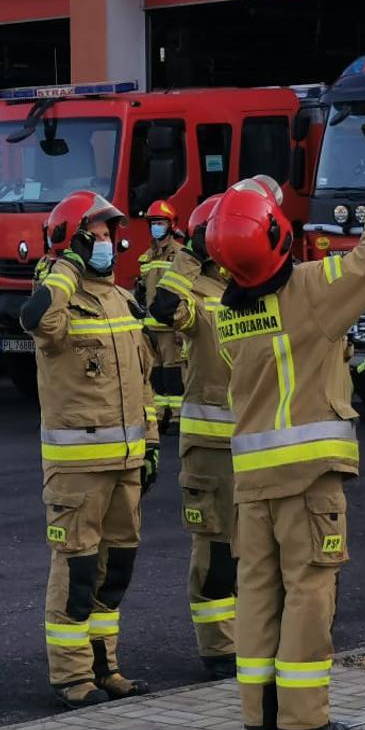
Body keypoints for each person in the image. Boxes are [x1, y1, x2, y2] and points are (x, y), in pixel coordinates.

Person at [207, 178, 365, 730]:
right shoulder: (312, 289)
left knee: (257, 598)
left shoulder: (227, 315)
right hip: (309, 480)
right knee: (309, 594)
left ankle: (260, 724)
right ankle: (303, 723)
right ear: (276, 234)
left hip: (252, 483)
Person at [19, 191, 159, 710]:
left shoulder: (122, 299)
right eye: (95, 235)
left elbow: (143, 380)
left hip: (125, 464)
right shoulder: (58, 298)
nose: (106, 243)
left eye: (107, 234)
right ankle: (73, 677)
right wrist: (63, 267)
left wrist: (150, 443)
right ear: (72, 241)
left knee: (114, 572)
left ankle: (106, 667)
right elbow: (37, 321)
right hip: (77, 471)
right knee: (77, 574)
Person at [148, 196, 238, 682]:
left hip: (260, 442)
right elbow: (164, 307)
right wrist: (190, 255)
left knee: (260, 550)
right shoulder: (196, 290)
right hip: (211, 448)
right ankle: (219, 647)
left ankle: (255, 637)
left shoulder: (249, 285)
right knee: (216, 551)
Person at [137, 200, 187, 432]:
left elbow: (185, 291)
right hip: (150, 327)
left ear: (171, 225)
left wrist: (181, 326)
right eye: (153, 223)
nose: (156, 227)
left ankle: (177, 416)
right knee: (156, 374)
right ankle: (160, 415)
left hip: (170, 326)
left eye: (160, 223)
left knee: (174, 372)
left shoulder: (180, 255)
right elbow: (143, 291)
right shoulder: (146, 257)